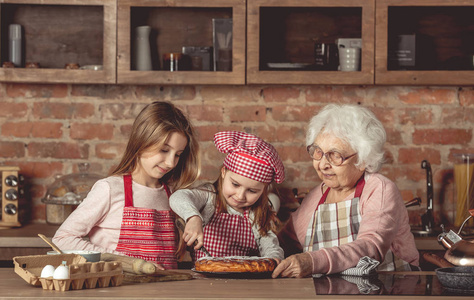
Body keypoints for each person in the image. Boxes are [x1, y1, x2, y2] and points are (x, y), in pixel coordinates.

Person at [273, 104, 419, 278]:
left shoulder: (379, 189)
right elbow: (284, 243)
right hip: (333, 293)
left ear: (363, 159)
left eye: (335, 155)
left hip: (391, 288)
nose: (323, 164)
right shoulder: (315, 197)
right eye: (318, 152)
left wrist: (313, 262)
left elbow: (371, 247)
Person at [53, 101, 200, 270]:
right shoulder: (109, 189)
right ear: (142, 141)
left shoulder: (173, 195)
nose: (170, 163)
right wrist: (122, 260)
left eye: (178, 154)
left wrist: (194, 219)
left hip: (164, 293)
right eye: (164, 150)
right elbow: (62, 239)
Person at [169, 131, 285, 261]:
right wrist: (193, 217)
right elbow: (177, 197)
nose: (240, 196)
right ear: (223, 172)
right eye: (235, 184)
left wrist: (274, 260)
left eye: (252, 191)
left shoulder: (258, 214)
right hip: (204, 278)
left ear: (264, 190)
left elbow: (272, 248)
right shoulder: (209, 197)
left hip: (245, 277)